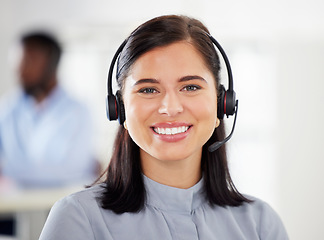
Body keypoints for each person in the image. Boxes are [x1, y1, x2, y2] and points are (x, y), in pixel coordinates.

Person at [39, 15, 289, 239]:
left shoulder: (260, 224)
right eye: (148, 89)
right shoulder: (78, 219)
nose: (170, 108)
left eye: (191, 87)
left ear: (222, 103)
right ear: (120, 108)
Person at [0, 32, 97, 187]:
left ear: (51, 64)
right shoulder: (7, 108)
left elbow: (73, 170)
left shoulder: (78, 111)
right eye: (16, 63)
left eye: (27, 62)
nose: (19, 70)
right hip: (12, 205)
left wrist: (10, 171)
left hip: (58, 202)